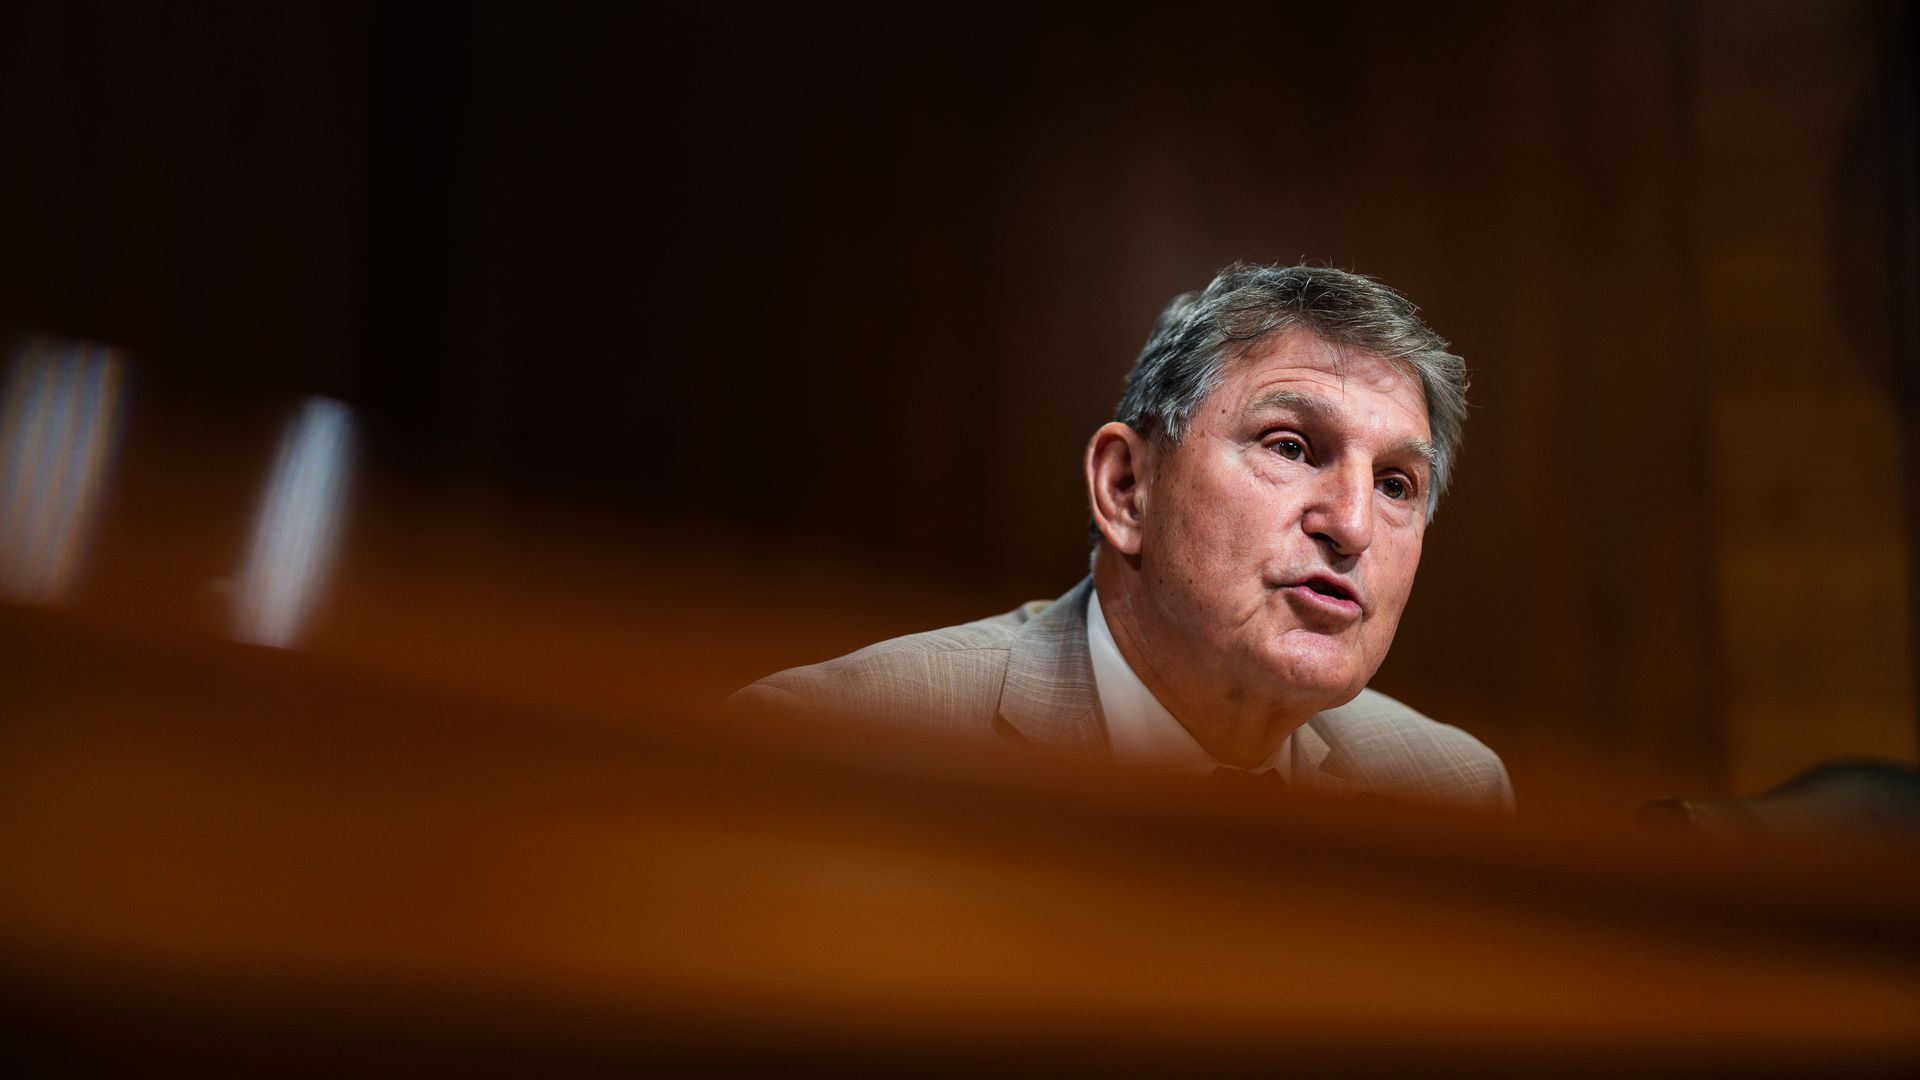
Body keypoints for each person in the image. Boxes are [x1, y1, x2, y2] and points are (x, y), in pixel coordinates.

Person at [732, 263, 1513, 813]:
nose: (1350, 525)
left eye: (1394, 485)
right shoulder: (833, 742)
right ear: (1126, 488)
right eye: (1290, 447)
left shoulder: (1450, 791)